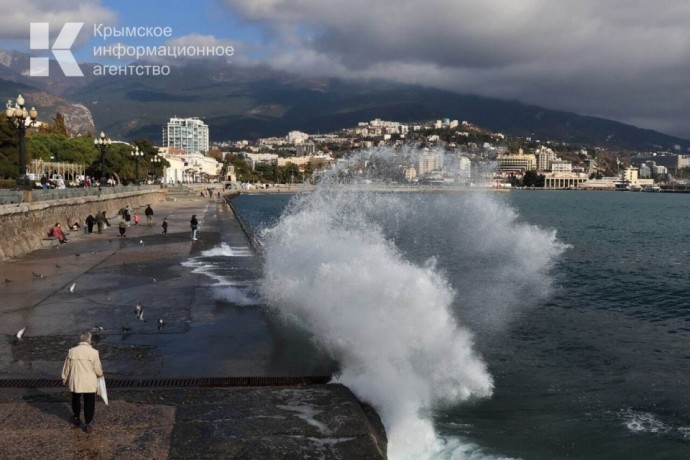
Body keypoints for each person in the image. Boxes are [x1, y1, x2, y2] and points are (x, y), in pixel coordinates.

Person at [61, 331, 104, 433]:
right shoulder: (94, 352)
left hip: (76, 380)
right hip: (89, 381)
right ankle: (88, 424)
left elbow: (67, 367)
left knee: (75, 400)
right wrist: (101, 374)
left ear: (81, 339)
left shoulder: (72, 351)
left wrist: (64, 378)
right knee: (89, 402)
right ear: (89, 340)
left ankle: (76, 418)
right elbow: (97, 368)